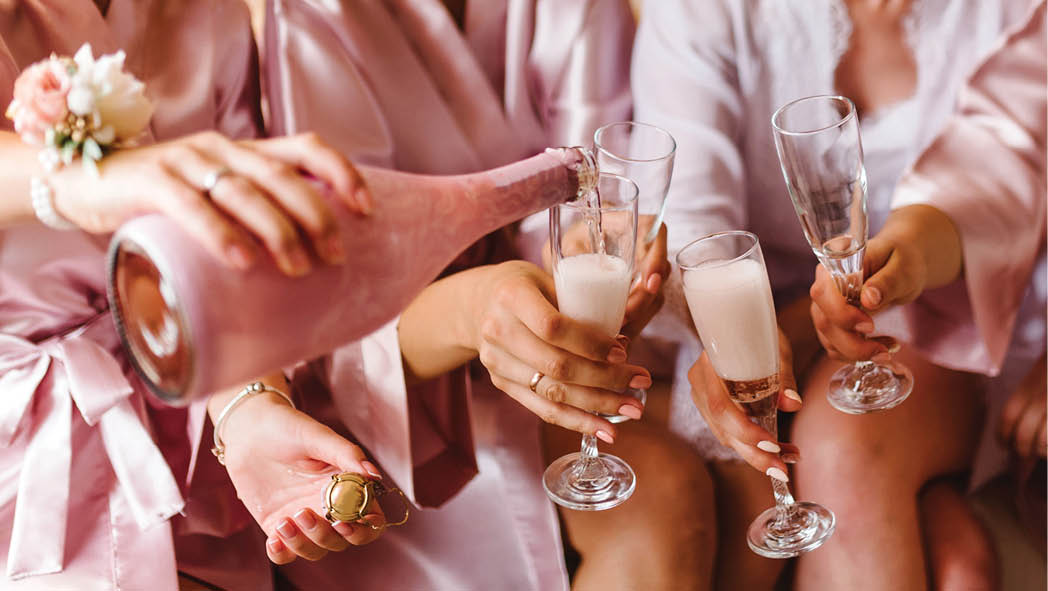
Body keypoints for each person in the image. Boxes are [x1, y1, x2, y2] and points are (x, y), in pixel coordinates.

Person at [252, 1, 709, 589]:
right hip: (400, 385)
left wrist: (587, 246)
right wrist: (474, 309)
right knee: (661, 496)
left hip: (557, 328)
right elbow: (338, 305)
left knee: (696, 483)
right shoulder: (310, 19)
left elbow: (595, 186)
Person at [631, 0, 1037, 588]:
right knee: (959, 565)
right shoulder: (705, 12)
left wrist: (905, 259)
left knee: (850, 447)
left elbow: (995, 175)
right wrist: (735, 333)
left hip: (932, 309)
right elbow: (692, 220)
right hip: (749, 315)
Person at [0, 1, 373, 589]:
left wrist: (247, 408)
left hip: (191, 445)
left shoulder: (210, 15)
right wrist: (76, 180)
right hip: (22, 469)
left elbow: (230, 264)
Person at [809, 3, 1046, 583]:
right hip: (915, 317)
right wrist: (908, 253)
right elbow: (988, 165)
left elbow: (1000, 156)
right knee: (960, 566)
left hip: (991, 311)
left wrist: (909, 250)